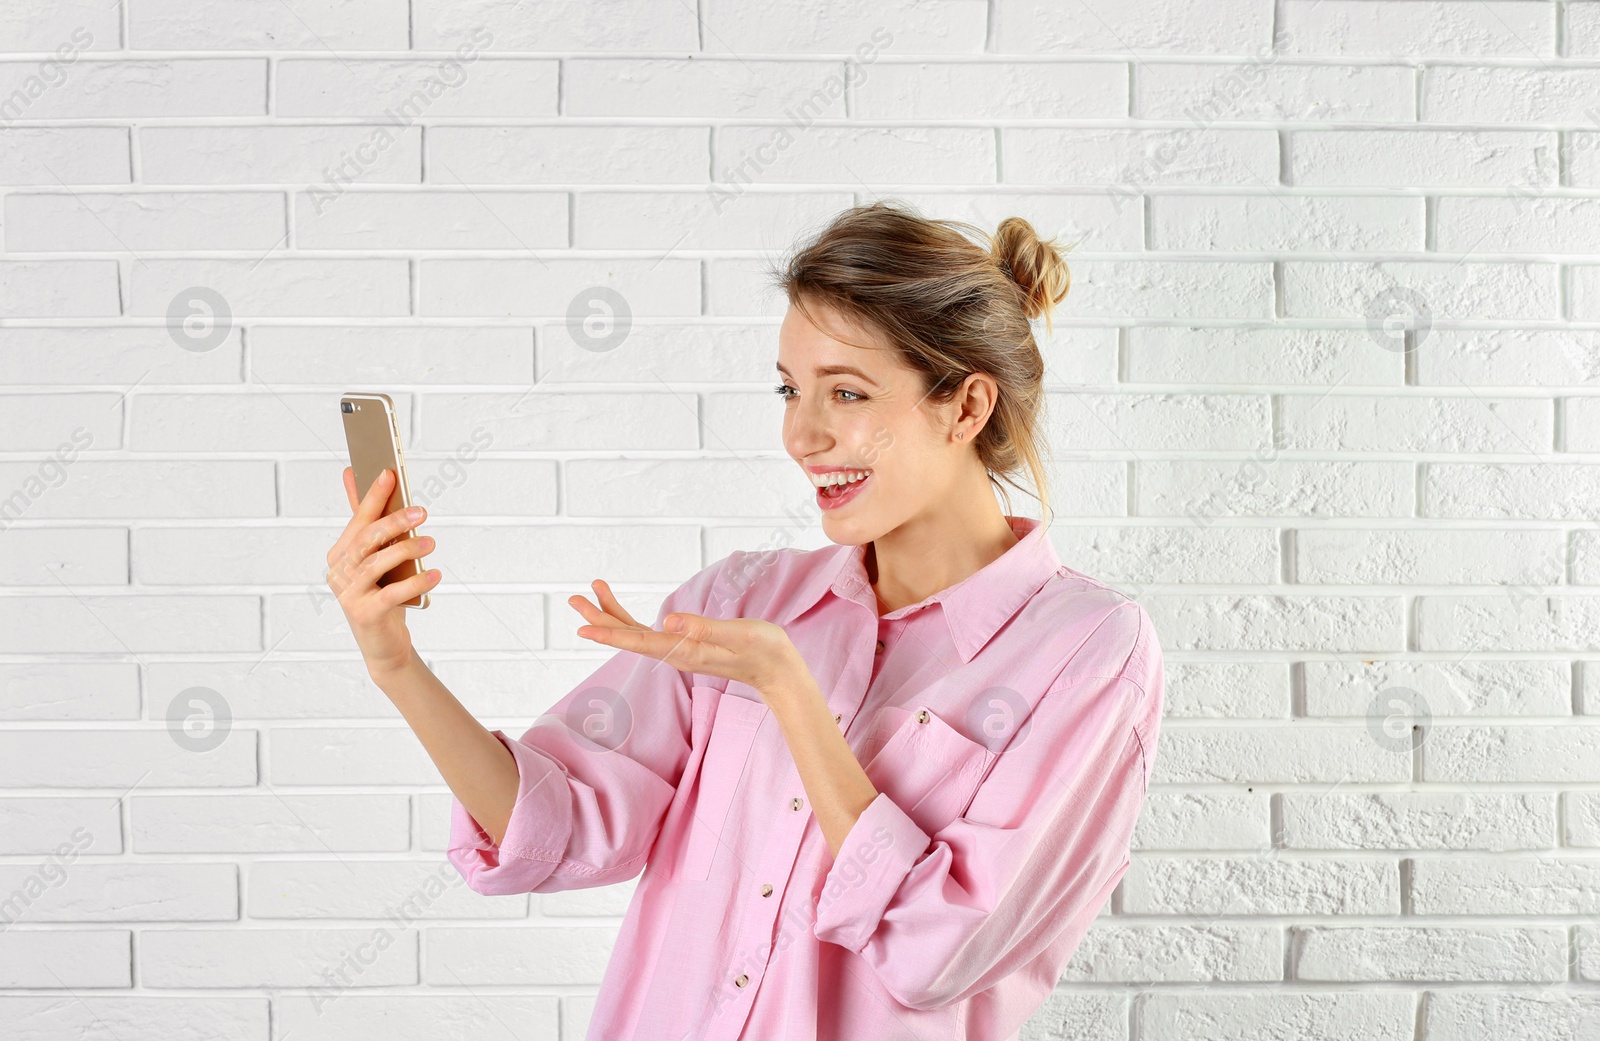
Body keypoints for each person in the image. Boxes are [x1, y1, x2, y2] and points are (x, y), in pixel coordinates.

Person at [326, 199, 1165, 1041]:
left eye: (847, 392)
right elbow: (555, 824)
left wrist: (791, 694)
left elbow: (942, 952)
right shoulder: (744, 600)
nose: (802, 433)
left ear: (966, 407)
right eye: (790, 389)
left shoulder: (1086, 652)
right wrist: (396, 661)